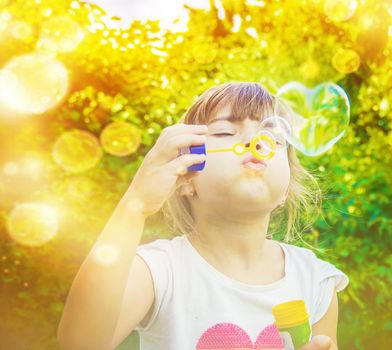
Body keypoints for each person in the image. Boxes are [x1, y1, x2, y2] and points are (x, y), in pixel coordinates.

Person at [57, 82, 349, 350]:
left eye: (272, 137)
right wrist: (135, 205)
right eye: (224, 132)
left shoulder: (315, 281)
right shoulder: (161, 271)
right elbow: (81, 343)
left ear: (286, 189)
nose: (255, 142)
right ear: (186, 178)